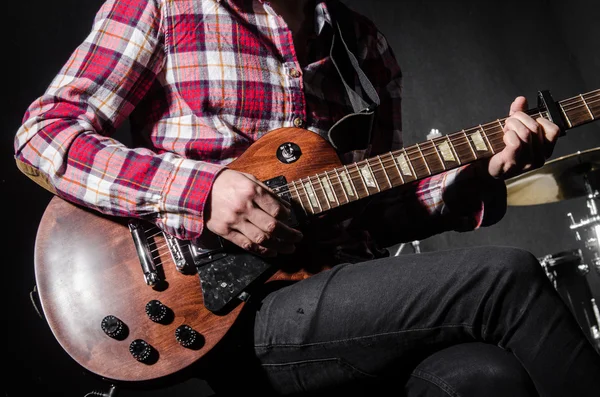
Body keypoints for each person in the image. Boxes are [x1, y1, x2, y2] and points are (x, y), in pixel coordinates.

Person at [13, 0, 600, 396]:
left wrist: (486, 171)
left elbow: (376, 213)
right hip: (224, 308)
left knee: (484, 378)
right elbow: (44, 133)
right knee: (504, 278)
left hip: (340, 295)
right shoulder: (165, 7)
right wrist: (201, 190)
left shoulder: (362, 47)